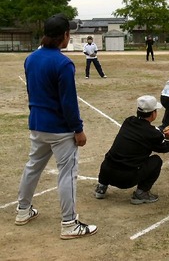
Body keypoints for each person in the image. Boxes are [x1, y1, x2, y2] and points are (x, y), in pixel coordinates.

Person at [15, 13, 97, 239]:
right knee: (67, 174)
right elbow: (68, 102)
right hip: (60, 129)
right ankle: (69, 223)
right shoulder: (63, 63)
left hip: (37, 123)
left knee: (33, 167)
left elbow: (32, 92)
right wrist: (78, 130)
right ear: (65, 36)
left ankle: (22, 211)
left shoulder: (31, 58)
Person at [94, 95, 169, 204]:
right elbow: (162, 147)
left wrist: (162, 134)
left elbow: (146, 133)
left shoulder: (128, 121)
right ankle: (141, 194)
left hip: (107, 172)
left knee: (112, 156)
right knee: (156, 161)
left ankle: (101, 187)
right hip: (126, 179)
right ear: (153, 113)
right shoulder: (152, 133)